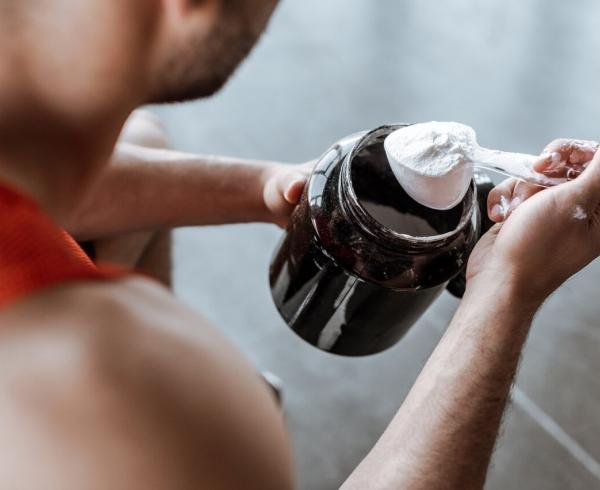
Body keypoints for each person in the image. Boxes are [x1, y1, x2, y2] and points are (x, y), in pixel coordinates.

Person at [0, 0, 597, 488]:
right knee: (202, 421)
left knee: (144, 138)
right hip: (135, 429)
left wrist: (261, 187)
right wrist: (508, 288)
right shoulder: (96, 403)